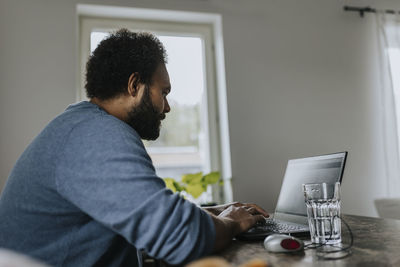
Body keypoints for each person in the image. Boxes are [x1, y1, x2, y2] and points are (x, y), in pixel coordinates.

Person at [0, 29, 268, 267]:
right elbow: (181, 237)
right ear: (134, 85)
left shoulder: (81, 126)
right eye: (163, 92)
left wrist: (214, 212)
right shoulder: (96, 135)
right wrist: (232, 222)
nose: (167, 107)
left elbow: (147, 216)